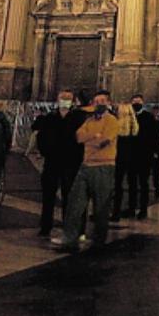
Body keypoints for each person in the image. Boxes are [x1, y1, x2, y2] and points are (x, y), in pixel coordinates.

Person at [56, 90, 119, 252]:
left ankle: (99, 241)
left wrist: (91, 137)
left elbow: (103, 141)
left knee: (101, 207)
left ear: (108, 103)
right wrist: (94, 135)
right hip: (86, 165)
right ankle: (69, 237)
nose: (99, 104)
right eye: (96, 101)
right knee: (74, 203)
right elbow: (78, 137)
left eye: (102, 101)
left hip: (104, 166)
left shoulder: (112, 121)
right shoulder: (89, 120)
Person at [29, 88, 84, 237]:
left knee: (69, 196)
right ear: (57, 100)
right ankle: (45, 226)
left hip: (70, 163)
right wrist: (45, 151)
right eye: (62, 98)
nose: (65, 100)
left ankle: (68, 226)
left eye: (68, 98)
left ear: (73, 102)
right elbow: (41, 137)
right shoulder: (50, 118)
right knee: (48, 196)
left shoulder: (78, 119)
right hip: (52, 161)